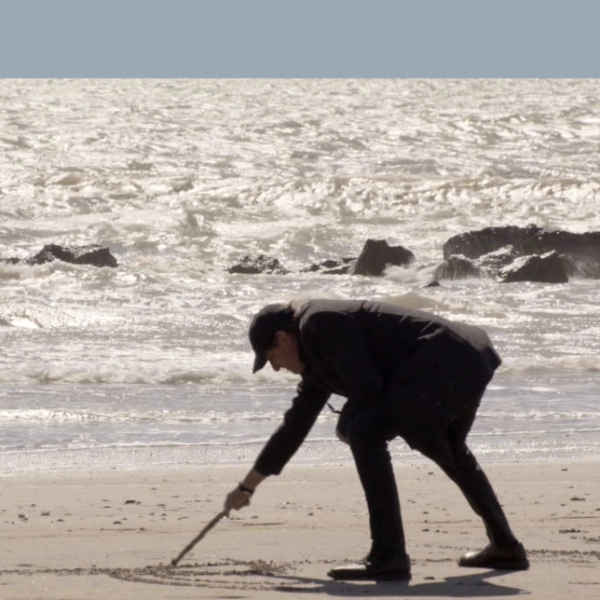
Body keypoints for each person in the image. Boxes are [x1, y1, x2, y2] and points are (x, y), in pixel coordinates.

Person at [224, 299, 529, 581]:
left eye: (271, 358)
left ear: (283, 339)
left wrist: (345, 427)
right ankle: (505, 547)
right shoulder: (316, 360)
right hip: (465, 354)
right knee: (445, 448)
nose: (276, 368)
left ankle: (388, 556)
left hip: (444, 356)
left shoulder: (319, 325)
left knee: (363, 431)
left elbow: (367, 385)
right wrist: (247, 486)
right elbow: (295, 427)